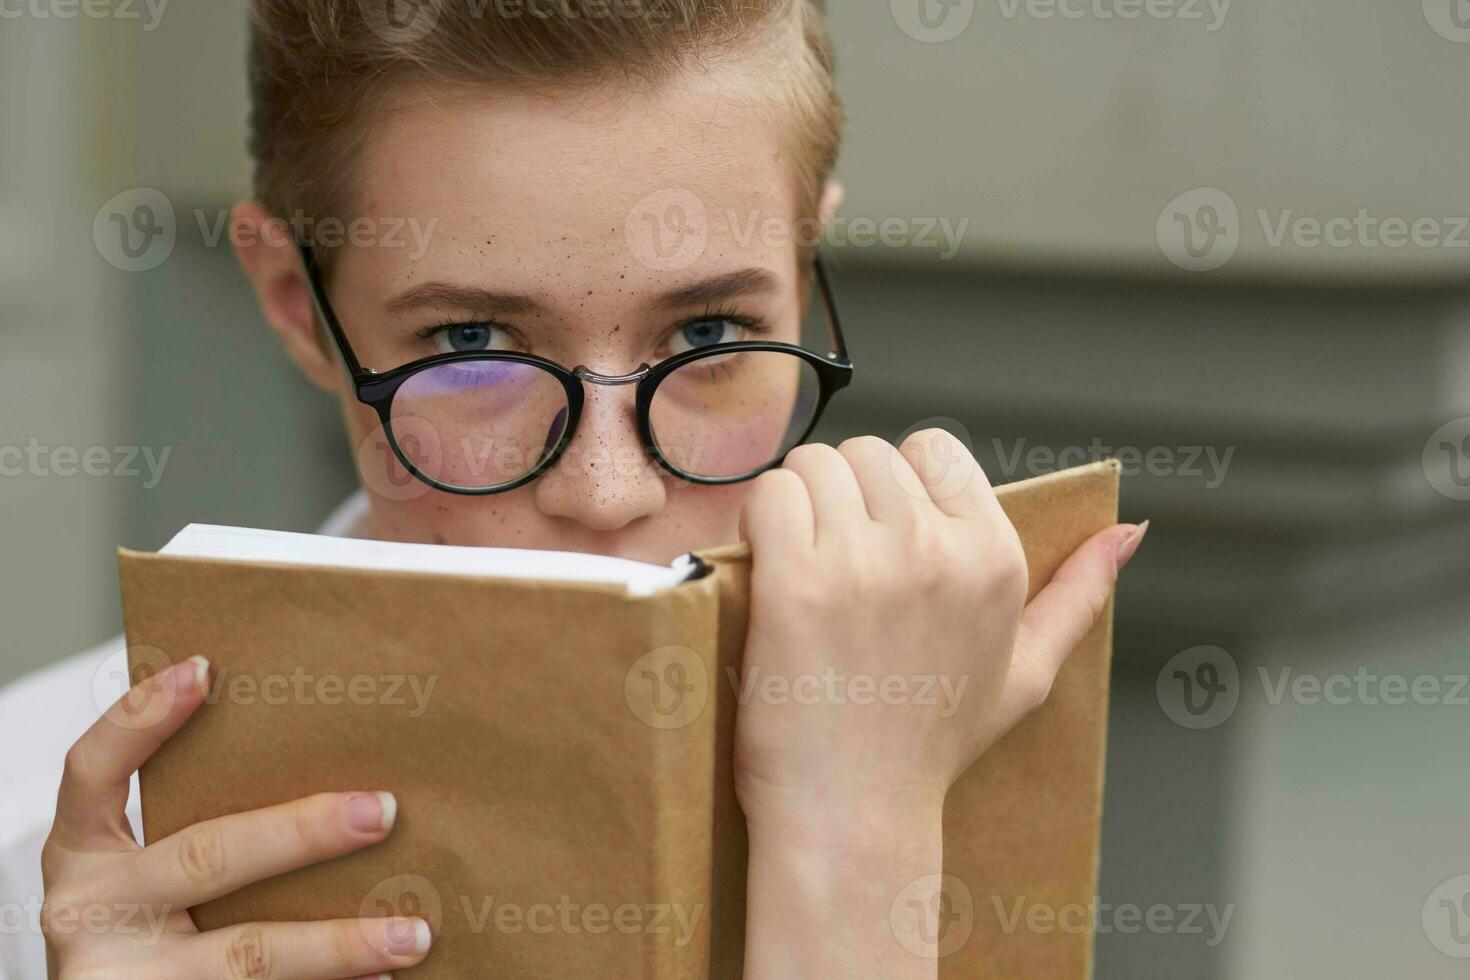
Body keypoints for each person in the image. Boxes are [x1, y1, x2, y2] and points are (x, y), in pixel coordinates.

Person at [10, 2, 1148, 977]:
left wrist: (863, 834)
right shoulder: (26, 825)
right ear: (299, 307)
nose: (607, 489)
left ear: (805, 273)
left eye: (709, 330)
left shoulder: (988, 733)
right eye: (471, 338)